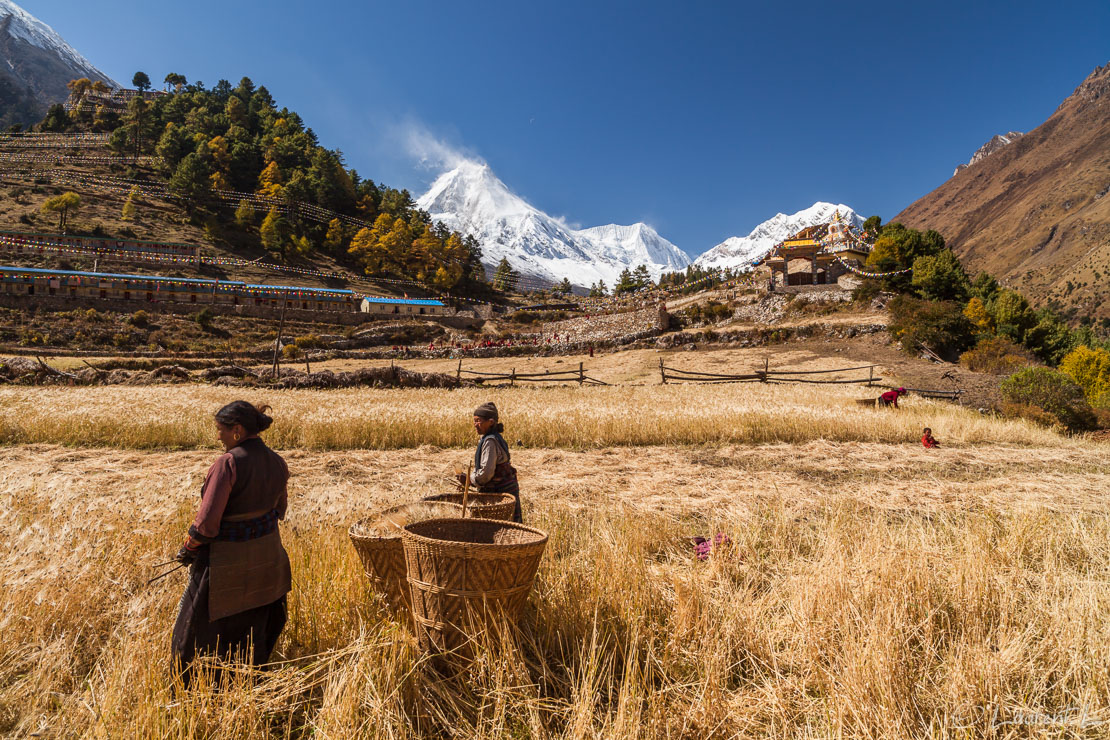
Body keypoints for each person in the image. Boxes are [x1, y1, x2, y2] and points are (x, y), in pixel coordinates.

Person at [171, 401, 291, 683]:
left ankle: (198, 692)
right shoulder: (277, 461)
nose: (218, 437)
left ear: (236, 430)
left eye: (220, 430)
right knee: (252, 633)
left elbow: (206, 525)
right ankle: (247, 684)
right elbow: (280, 510)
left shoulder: (227, 464)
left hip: (227, 565)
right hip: (268, 562)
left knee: (192, 637)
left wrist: (189, 547)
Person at [457, 402, 522, 523]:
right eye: (474, 421)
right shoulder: (494, 438)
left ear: (491, 422)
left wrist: (469, 480)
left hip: (499, 494)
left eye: (478, 421)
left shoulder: (490, 442)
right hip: (506, 490)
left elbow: (486, 474)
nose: (475, 424)